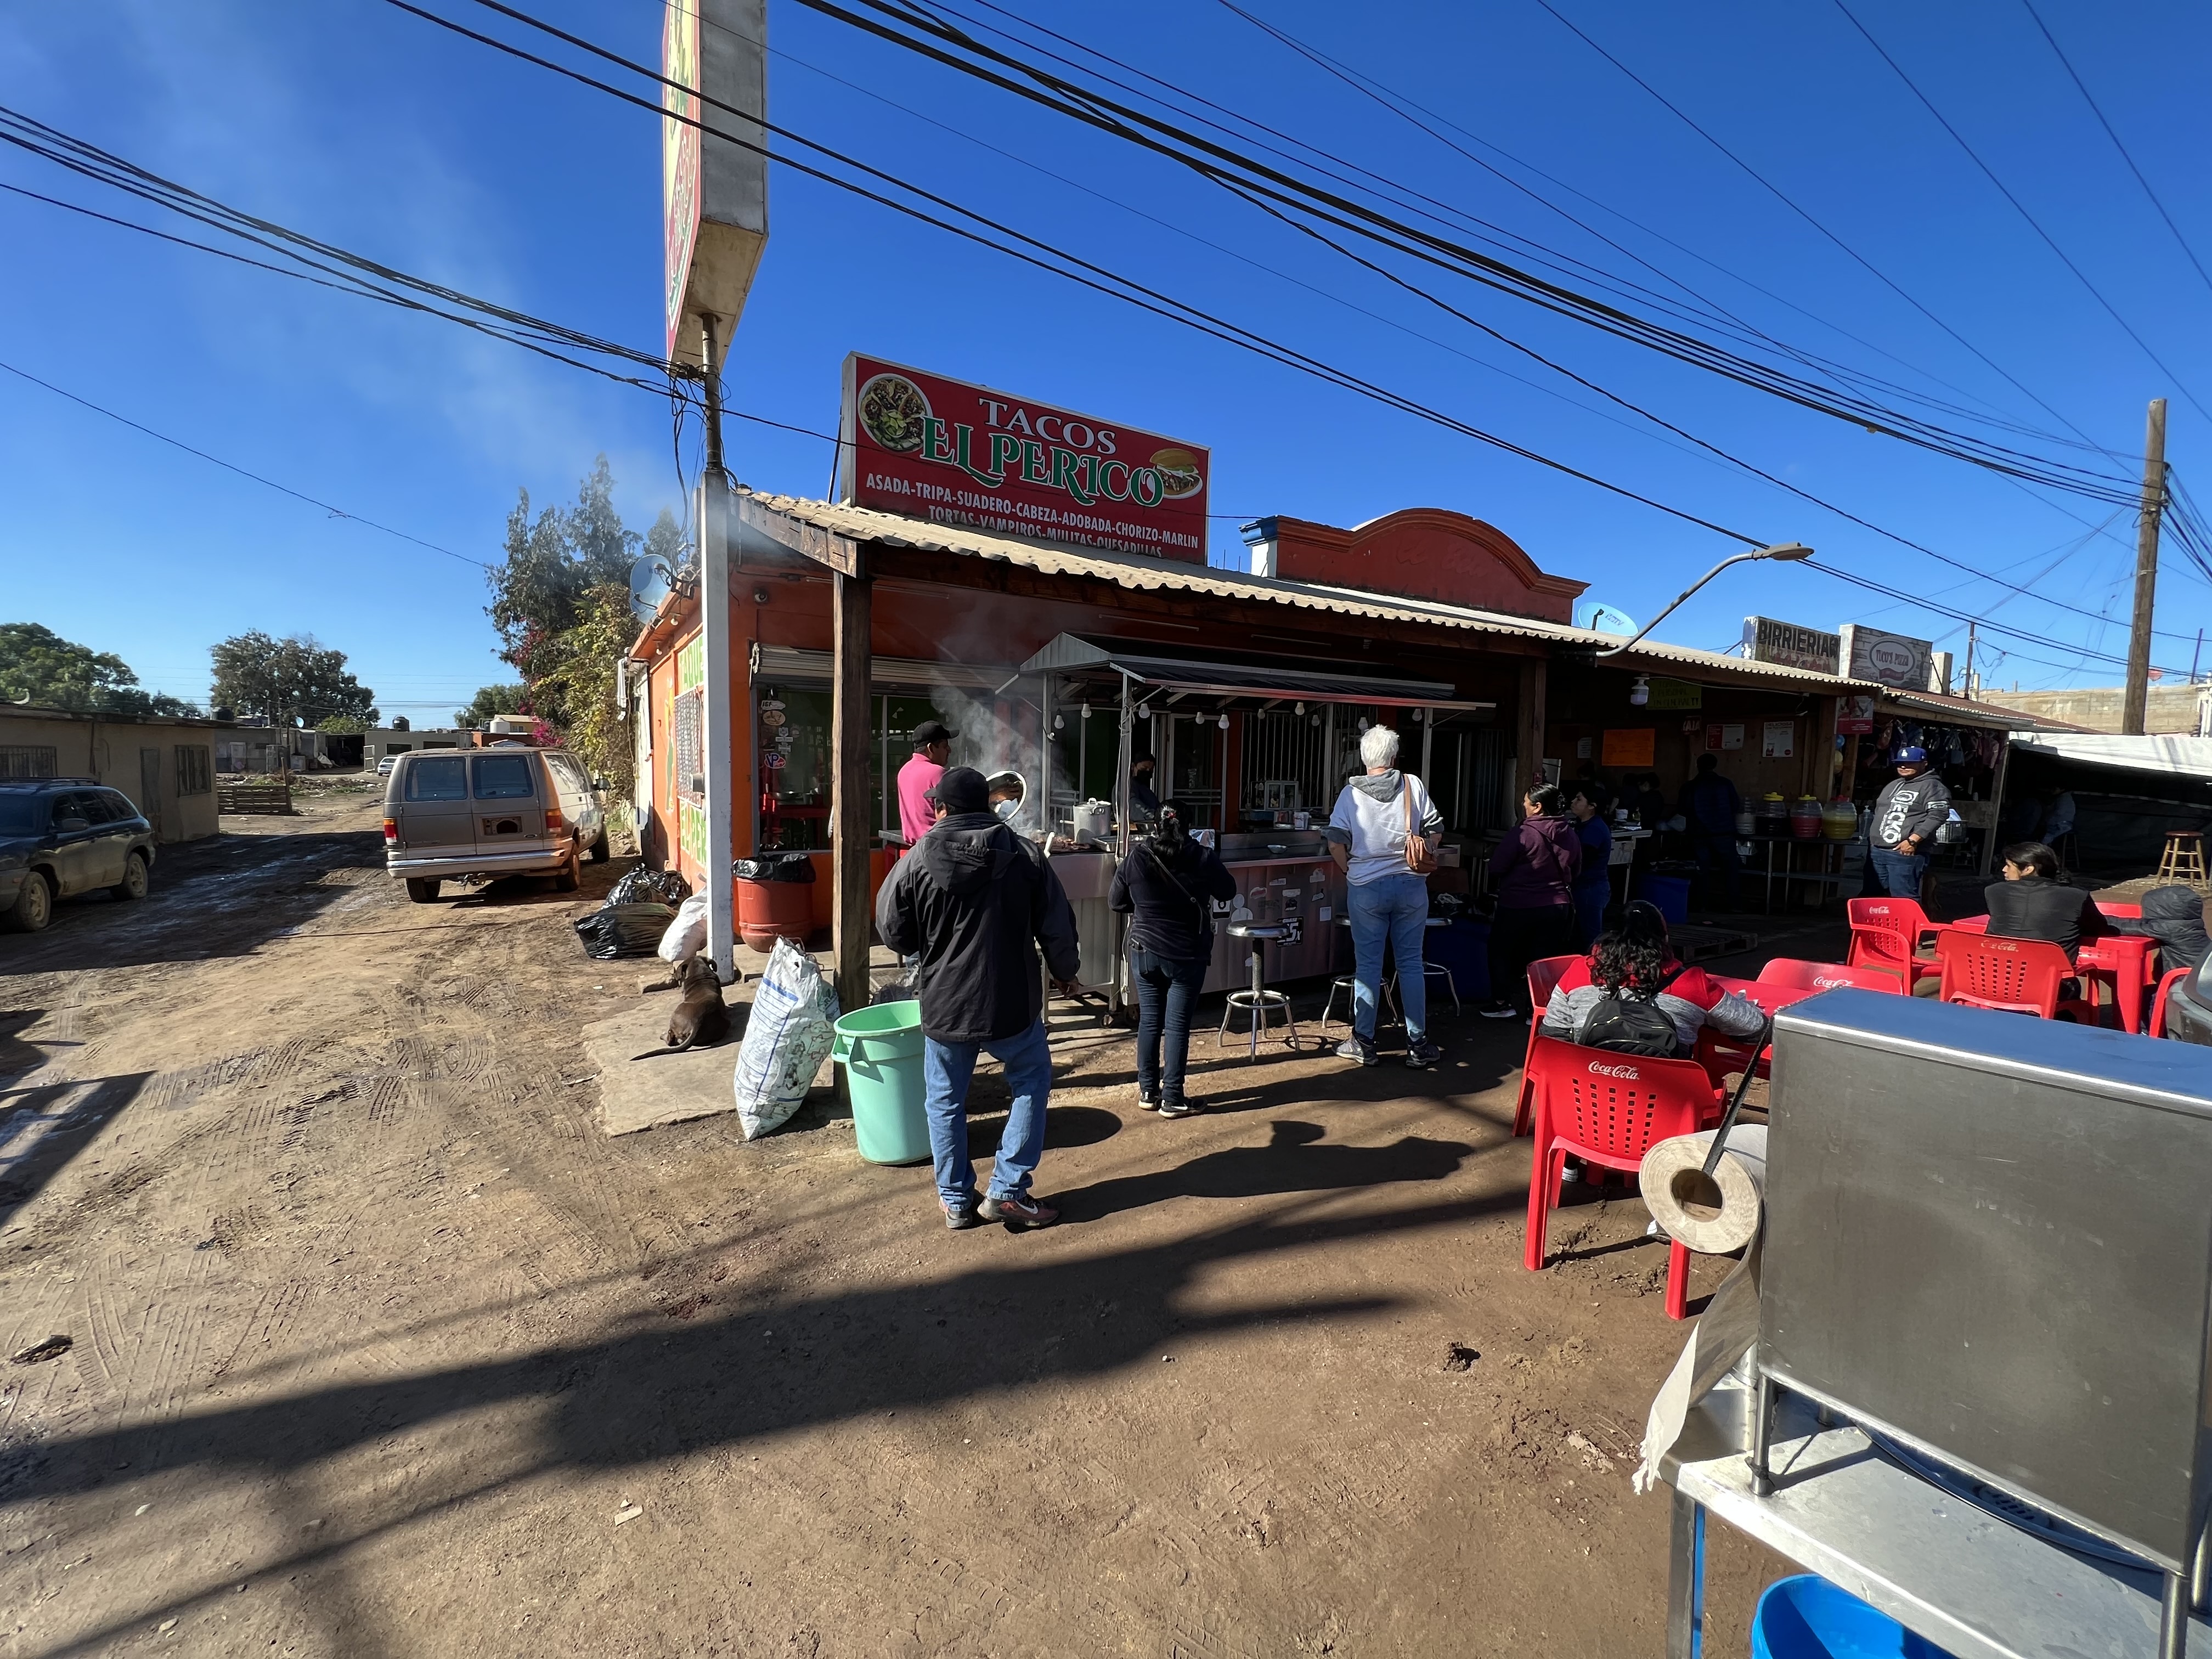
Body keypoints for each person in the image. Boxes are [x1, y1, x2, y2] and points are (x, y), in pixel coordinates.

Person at [874, 766, 1082, 1231]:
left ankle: (955, 1200)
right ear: (987, 805)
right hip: (1012, 1001)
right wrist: (1066, 972)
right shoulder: (1024, 853)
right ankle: (1008, 1189)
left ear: (942, 808)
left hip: (946, 1003)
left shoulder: (914, 860)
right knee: (1030, 1080)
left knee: (945, 1100)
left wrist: (924, 942)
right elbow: (1056, 922)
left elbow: (893, 931)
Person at [1325, 724, 1446, 1067]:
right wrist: (1423, 849)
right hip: (1410, 885)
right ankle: (1418, 1045)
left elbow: (1335, 842)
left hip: (1365, 888)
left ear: (1364, 758)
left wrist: (1350, 870)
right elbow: (1435, 830)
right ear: (1393, 757)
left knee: (1368, 966)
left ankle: (1363, 1042)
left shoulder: (1350, 795)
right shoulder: (1413, 785)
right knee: (1410, 964)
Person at [1109, 799, 1236, 1116]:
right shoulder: (1202, 857)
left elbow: (1115, 902)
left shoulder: (1137, 857)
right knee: (1177, 1026)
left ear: (1155, 824)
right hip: (1186, 955)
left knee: (1150, 1021)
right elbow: (1228, 891)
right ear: (1190, 825)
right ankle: (1174, 1098)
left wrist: (1145, 911)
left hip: (1144, 951)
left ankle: (1148, 1092)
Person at [1542, 900, 1766, 1054]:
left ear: (1609, 937)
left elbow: (1553, 1033)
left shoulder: (1580, 970)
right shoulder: (1691, 983)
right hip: (1664, 1107)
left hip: (1585, 1097)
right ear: (1665, 940)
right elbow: (1755, 1028)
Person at [1474, 782, 1581, 1022]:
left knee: (1501, 952)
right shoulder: (1570, 833)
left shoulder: (1523, 833)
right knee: (1543, 959)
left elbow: (1498, 867)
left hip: (1518, 904)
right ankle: (1537, 1011)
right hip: (1557, 906)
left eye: (1526, 802)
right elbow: (1576, 870)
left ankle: (1502, 1002)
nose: (1523, 805)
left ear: (1538, 807)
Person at [1869, 746, 1951, 902]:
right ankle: (1885, 928)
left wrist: (1913, 840)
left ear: (1924, 764)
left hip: (1904, 853)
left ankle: (1907, 928)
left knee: (1903, 899)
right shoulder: (1894, 784)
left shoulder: (1932, 786)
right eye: (1900, 763)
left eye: (1910, 763)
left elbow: (1939, 814)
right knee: (1879, 899)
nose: (1904, 766)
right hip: (1878, 851)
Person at [1681, 753, 1741, 911]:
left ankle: (1700, 905)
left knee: (1701, 871)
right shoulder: (1725, 784)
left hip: (1699, 834)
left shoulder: (1690, 786)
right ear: (1715, 765)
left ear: (1698, 765)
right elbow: (1736, 806)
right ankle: (1734, 905)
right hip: (1724, 833)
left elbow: (1683, 809)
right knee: (1730, 870)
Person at [2116, 883, 2210, 974]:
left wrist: (2102, 920)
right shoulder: (2192, 923)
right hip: (2202, 978)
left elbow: (2130, 927)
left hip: (2186, 982)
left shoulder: (2169, 928)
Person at [895, 719, 955, 851]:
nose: (949, 750)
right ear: (931, 748)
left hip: (911, 851)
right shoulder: (937, 773)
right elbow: (960, 810)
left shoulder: (904, 771)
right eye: (945, 746)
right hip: (936, 851)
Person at [1567, 782, 1615, 949]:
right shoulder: (1581, 825)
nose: (1573, 802)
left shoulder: (1594, 829)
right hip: (1583, 887)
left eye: (1579, 799)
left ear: (1592, 807)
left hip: (1590, 888)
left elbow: (1583, 859)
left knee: (1591, 939)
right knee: (1580, 936)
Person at [1128, 753, 1161, 825]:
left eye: (1151, 770)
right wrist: (1158, 817)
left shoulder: (1144, 788)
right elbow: (1135, 809)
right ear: (1133, 767)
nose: (1147, 772)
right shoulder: (1127, 787)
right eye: (1144, 769)